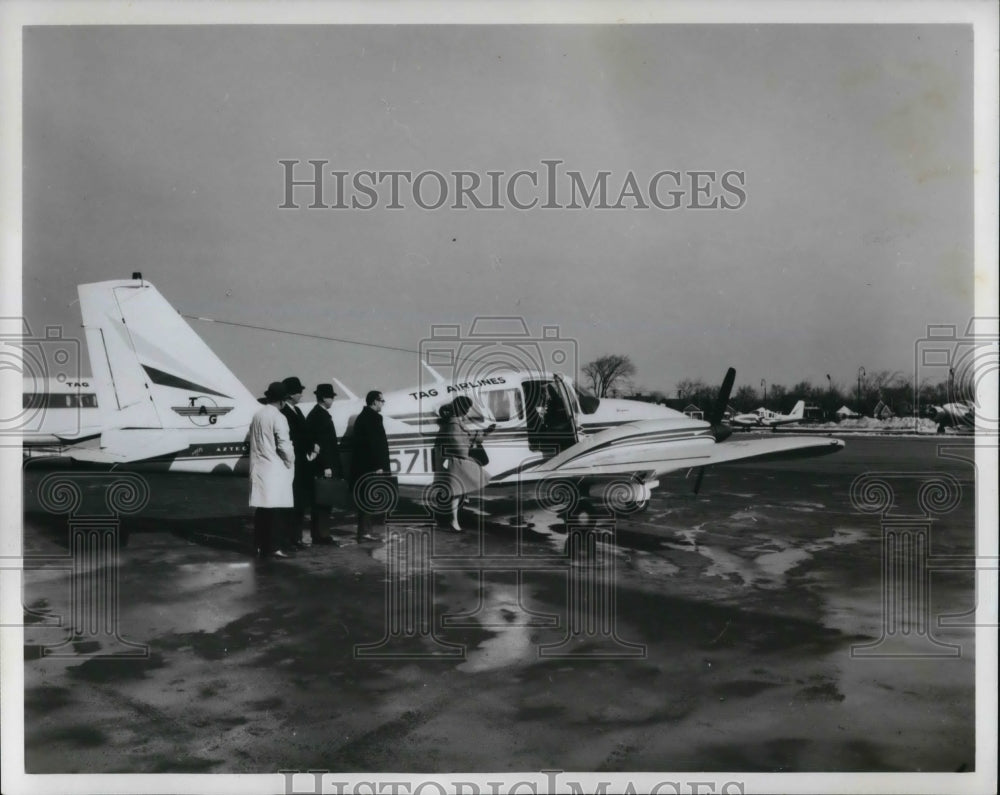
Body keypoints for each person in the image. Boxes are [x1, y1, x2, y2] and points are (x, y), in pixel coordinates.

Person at [434, 395, 494, 532]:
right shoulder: (454, 424)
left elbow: (464, 436)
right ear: (462, 409)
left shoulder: (453, 422)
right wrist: (468, 454)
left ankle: (453, 520)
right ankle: (453, 522)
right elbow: (459, 442)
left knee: (457, 491)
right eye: (466, 408)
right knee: (457, 491)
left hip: (453, 461)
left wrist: (483, 433)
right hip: (455, 461)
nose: (467, 411)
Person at [249, 381, 295, 559]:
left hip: (259, 467)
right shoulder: (279, 417)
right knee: (276, 512)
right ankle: (274, 547)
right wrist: (290, 461)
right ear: (283, 401)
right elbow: (284, 445)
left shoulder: (257, 415)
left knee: (262, 510)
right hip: (274, 469)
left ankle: (259, 545)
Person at [281, 376, 318, 549]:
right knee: (293, 503)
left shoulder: (297, 411)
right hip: (294, 463)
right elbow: (295, 437)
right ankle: (291, 539)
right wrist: (310, 446)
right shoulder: (285, 413)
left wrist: (311, 445)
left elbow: (305, 434)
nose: (301, 394)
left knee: (300, 503)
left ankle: (296, 538)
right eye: (298, 392)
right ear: (290, 395)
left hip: (302, 463)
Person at [349, 390, 391, 543]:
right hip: (370, 467)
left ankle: (365, 531)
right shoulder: (372, 418)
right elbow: (374, 445)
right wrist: (378, 465)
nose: (383, 403)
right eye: (381, 400)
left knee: (366, 499)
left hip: (363, 467)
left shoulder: (364, 417)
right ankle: (365, 533)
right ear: (374, 401)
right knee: (368, 499)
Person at [306, 383, 342, 545]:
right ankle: (322, 535)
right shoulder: (320, 416)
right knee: (323, 502)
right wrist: (326, 465)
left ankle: (319, 534)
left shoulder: (317, 414)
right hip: (323, 466)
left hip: (320, 465)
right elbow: (321, 444)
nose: (332, 400)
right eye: (331, 397)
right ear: (324, 398)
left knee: (320, 502)